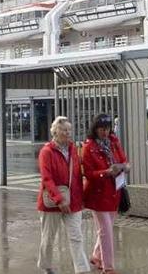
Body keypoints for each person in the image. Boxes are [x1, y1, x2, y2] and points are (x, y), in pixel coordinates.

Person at [37, 116, 89, 274]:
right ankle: (46, 266)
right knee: (48, 238)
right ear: (55, 131)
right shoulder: (46, 151)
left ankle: (82, 269)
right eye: (64, 130)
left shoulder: (74, 149)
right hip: (52, 202)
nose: (68, 133)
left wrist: (81, 198)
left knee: (76, 236)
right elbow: (47, 178)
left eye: (69, 130)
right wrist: (59, 199)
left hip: (72, 200)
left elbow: (78, 175)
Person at [82, 113, 129, 274]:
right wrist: (106, 172)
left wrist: (124, 166)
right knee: (106, 231)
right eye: (102, 129)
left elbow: (123, 159)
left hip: (114, 191)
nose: (105, 132)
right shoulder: (89, 147)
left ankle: (96, 256)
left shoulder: (114, 142)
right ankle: (108, 267)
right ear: (95, 129)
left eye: (107, 128)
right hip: (98, 193)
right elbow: (88, 173)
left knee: (105, 229)